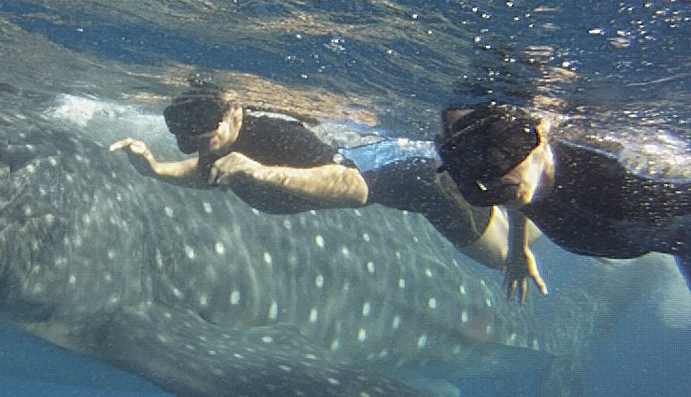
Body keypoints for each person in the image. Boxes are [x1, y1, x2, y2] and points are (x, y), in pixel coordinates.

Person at [110, 84, 542, 299]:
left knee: (509, 250)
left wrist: (264, 174)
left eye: (206, 121)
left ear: (236, 110)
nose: (197, 137)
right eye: (182, 128)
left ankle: (548, 209)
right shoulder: (220, 143)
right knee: (522, 221)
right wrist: (154, 169)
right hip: (413, 181)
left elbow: (355, 189)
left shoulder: (279, 137)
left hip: (426, 188)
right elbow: (209, 172)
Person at [435, 102, 691, 294]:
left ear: (541, 129)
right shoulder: (519, 180)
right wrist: (517, 248)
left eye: (502, 145)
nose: (491, 174)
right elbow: (517, 194)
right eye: (469, 158)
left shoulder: (615, 174)